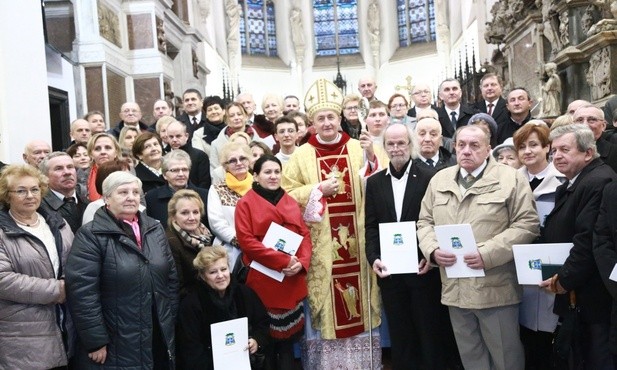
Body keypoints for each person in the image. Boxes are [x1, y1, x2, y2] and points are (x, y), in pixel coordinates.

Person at [417, 125, 540, 370]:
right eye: (461, 145)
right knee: (471, 358)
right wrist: (431, 250)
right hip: (455, 289)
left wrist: (488, 253)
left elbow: (527, 224)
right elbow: (425, 221)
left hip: (495, 288)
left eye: (474, 146)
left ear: (488, 149)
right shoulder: (440, 179)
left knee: (506, 359)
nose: (466, 151)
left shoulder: (510, 178)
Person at [282, 78, 382, 369]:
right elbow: (286, 195)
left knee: (357, 303)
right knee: (329, 305)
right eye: (320, 118)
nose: (326, 123)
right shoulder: (301, 154)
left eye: (331, 117)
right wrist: (316, 191)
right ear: (311, 122)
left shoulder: (357, 147)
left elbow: (380, 183)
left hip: (359, 244)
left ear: (340, 118)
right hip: (323, 246)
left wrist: (373, 160)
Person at [365, 124, 460, 369]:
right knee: (400, 334)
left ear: (411, 145)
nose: (396, 149)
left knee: (429, 333)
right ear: (384, 147)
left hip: (423, 269)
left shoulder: (430, 177)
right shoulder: (374, 183)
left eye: (401, 143)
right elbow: (371, 226)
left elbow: (439, 221)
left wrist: (430, 257)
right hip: (390, 273)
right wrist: (373, 257)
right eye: (391, 144)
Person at [66, 171, 178, 368]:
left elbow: (171, 278)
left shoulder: (155, 229)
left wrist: (169, 318)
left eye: (136, 192)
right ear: (106, 198)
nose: (131, 197)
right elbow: (82, 292)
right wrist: (95, 340)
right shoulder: (91, 235)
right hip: (115, 337)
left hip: (156, 331)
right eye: (123, 192)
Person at [539, 124, 616, 369]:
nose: (557, 156)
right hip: (579, 293)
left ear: (588, 153)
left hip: (593, 296)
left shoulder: (597, 181)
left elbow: (588, 242)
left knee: (596, 358)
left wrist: (563, 280)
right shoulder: (576, 181)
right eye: (553, 151)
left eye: (564, 149)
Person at [236, 155, 312, 369]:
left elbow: (305, 234)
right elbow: (247, 242)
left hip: (291, 279)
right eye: (267, 172)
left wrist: (302, 263)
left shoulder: (289, 200)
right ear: (256, 175)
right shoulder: (245, 203)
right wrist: (284, 260)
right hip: (263, 280)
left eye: (277, 172)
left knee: (288, 345)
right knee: (266, 344)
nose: (273, 176)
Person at [0, 164, 74, 369]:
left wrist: (74, 282)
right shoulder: (2, 231)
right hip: (22, 335)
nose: (30, 195)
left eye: (34, 189)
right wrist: (58, 290)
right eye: (21, 191)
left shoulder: (59, 223)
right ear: (7, 196)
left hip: (64, 326)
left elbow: (75, 262)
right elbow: (3, 280)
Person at [512, 121, 565, 368]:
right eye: (522, 147)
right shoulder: (510, 180)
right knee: (524, 335)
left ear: (547, 147)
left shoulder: (563, 181)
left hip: (552, 260)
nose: (528, 152)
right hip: (519, 262)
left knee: (548, 330)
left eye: (534, 145)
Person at [176, 246, 269, 369]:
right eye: (213, 272)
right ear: (203, 276)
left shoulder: (245, 293)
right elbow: (190, 348)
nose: (220, 276)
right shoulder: (191, 305)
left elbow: (262, 323)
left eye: (223, 269)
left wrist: (257, 341)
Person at [207, 142, 253, 271]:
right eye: (232, 160)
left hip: (260, 248)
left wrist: (256, 245)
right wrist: (243, 242)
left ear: (249, 161)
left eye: (242, 158)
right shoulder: (217, 189)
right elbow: (216, 223)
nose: (239, 163)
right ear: (225, 166)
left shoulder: (259, 186)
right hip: (229, 251)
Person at [167, 189, 213, 298]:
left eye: (195, 212)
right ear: (173, 216)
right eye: (184, 213)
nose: (192, 218)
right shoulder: (170, 242)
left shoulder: (206, 236)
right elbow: (177, 285)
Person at [145, 150, 209, 228]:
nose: (181, 174)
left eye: (184, 169)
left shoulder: (205, 196)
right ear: (164, 175)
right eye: (175, 170)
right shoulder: (151, 198)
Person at [82, 159, 144, 225]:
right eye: (122, 177)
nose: (128, 180)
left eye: (129, 175)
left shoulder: (139, 208)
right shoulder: (95, 207)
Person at [39, 152, 89, 233]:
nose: (67, 172)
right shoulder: (39, 208)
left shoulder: (88, 204)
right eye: (59, 168)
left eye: (70, 167)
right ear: (45, 177)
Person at [210, 102, 263, 172]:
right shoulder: (216, 144)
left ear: (246, 116)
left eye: (239, 114)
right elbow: (215, 172)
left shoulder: (260, 142)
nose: (236, 118)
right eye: (232, 116)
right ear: (226, 120)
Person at [573, 104, 617, 174]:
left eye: (592, 120)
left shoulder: (614, 152)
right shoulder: (563, 150)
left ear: (603, 126)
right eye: (580, 120)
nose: (585, 125)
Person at [167, 120, 212, 189]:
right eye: (171, 137)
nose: (174, 140)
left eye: (178, 136)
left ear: (186, 136)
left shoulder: (200, 156)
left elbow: (204, 183)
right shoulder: (164, 157)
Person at [86, 133, 120, 201]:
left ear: (116, 152)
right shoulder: (82, 177)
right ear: (91, 154)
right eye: (97, 149)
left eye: (108, 148)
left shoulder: (127, 172)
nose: (103, 152)